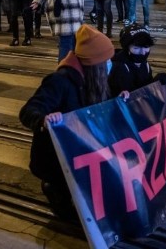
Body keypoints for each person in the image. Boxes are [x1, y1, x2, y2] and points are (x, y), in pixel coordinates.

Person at [19, 24, 115, 220]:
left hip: (82, 151)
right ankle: (53, 189)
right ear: (94, 65)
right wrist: (43, 120)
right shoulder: (60, 81)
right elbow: (28, 111)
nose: (109, 65)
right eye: (105, 61)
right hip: (57, 158)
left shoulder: (94, 81)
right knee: (71, 215)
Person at [109, 23, 165, 97]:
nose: (142, 52)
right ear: (127, 48)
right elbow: (131, 96)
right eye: (136, 48)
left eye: (146, 47)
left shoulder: (144, 64)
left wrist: (156, 83)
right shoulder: (119, 67)